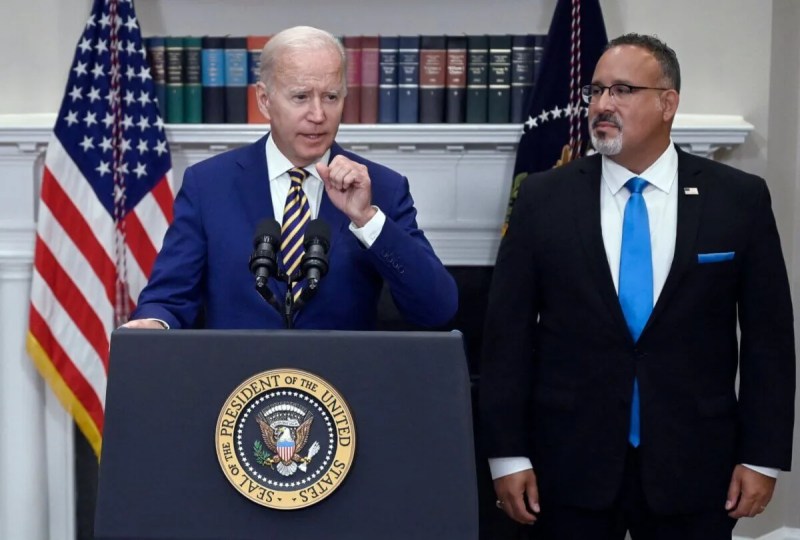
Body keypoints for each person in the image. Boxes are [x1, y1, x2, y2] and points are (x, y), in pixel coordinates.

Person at [480, 33, 795, 539]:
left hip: (697, 466)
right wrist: (507, 454)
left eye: (622, 90)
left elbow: (769, 341)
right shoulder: (543, 198)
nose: (602, 104)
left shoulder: (738, 199)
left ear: (668, 103)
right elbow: (506, 336)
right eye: (596, 90)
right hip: (567, 465)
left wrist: (762, 457)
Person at [123, 26, 457, 330]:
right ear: (264, 100)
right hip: (240, 376)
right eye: (301, 97)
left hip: (340, 377)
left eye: (331, 97)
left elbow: (437, 309)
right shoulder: (209, 186)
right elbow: (168, 298)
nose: (318, 115)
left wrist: (367, 220)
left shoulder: (382, 188)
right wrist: (152, 325)